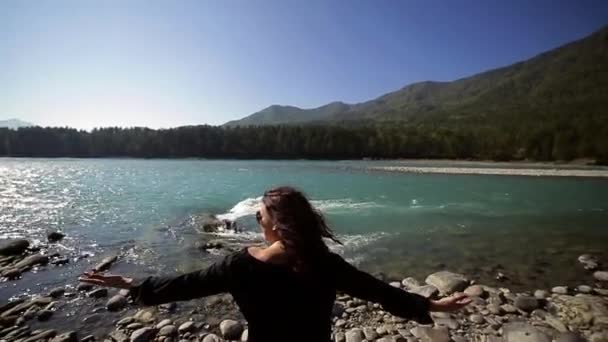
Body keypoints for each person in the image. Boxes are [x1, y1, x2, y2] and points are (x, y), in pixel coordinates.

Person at [80, 186, 471, 342]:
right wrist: (429, 304)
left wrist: (132, 283)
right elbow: (374, 289)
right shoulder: (323, 262)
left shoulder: (240, 266)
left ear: (275, 223)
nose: (257, 222)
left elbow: (186, 284)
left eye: (259, 217)